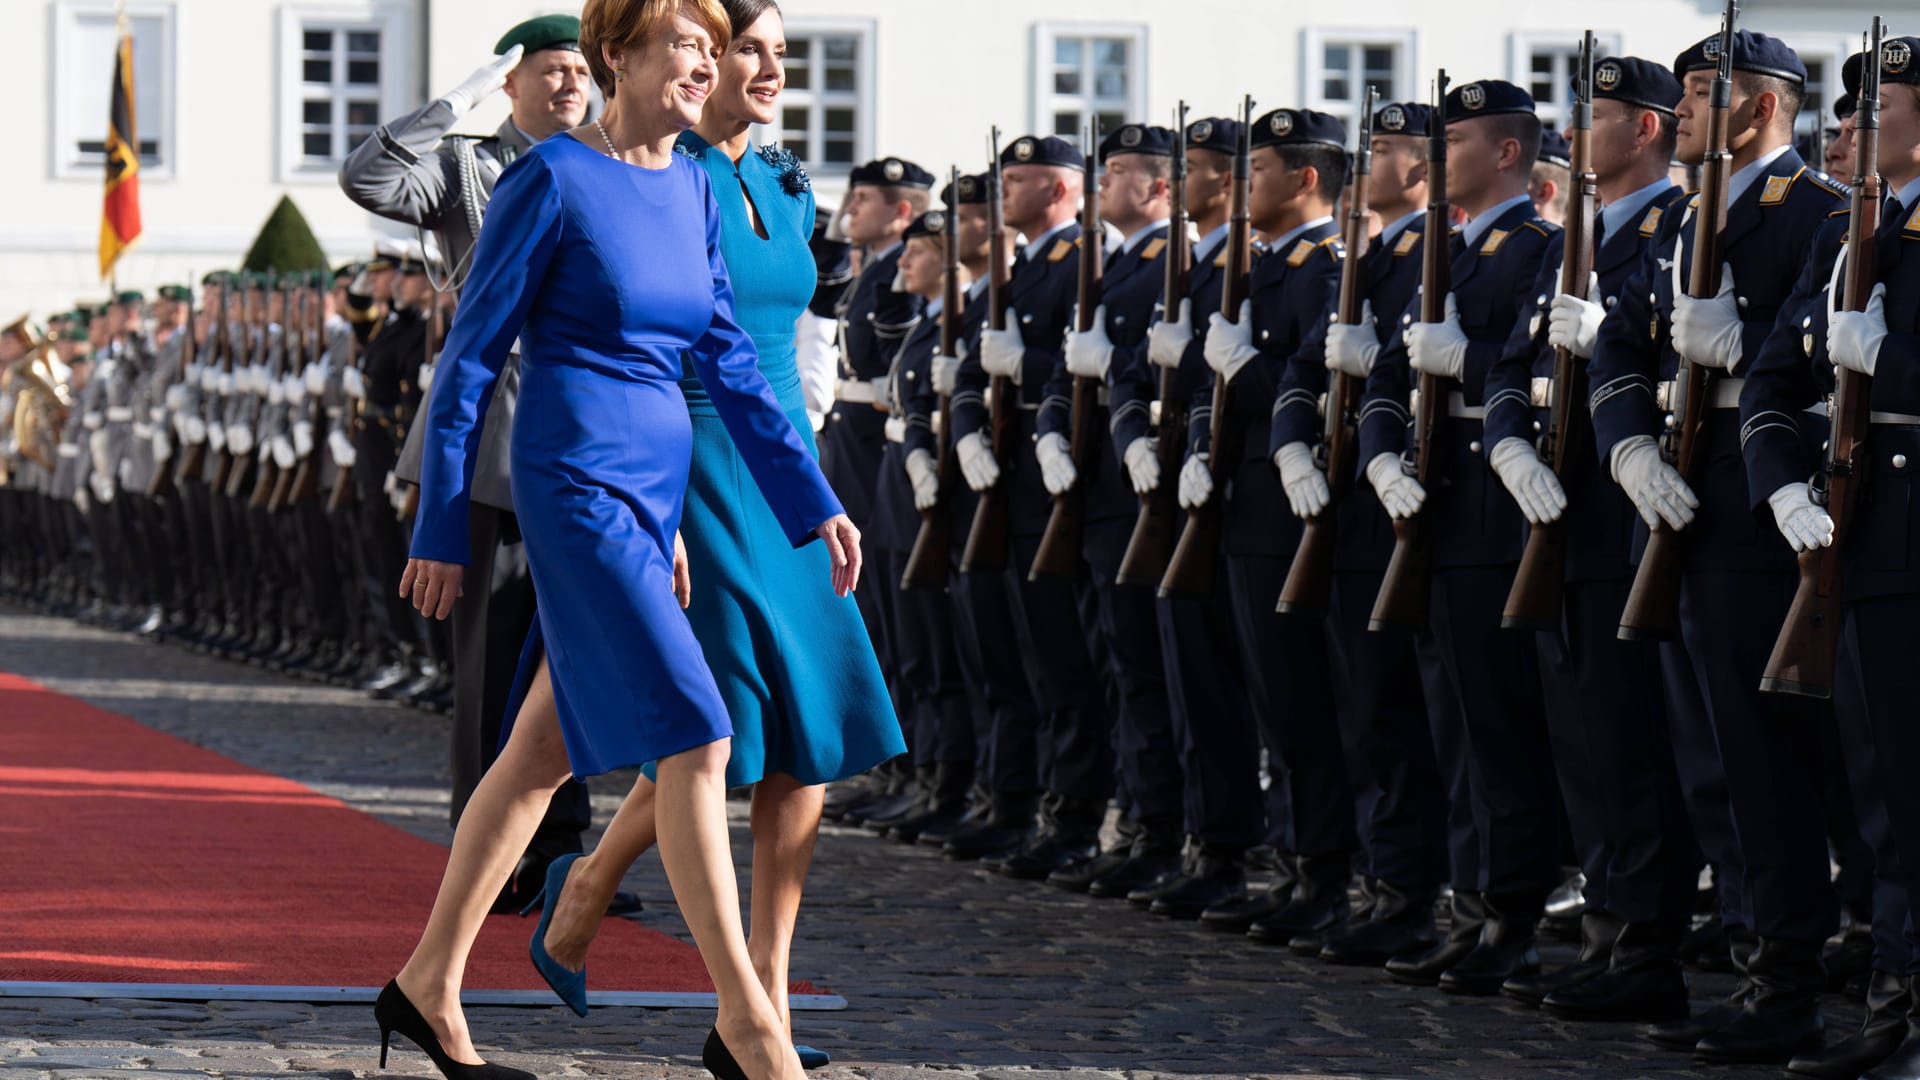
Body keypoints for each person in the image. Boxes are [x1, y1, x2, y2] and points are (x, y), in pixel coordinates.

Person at [384, 0, 858, 1076]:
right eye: (683, 45)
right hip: (575, 482)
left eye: (710, 45)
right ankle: (746, 1021)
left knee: (540, 756)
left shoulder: (690, 184)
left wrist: (810, 499)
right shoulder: (549, 179)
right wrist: (444, 523)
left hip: (655, 495)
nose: (706, 62)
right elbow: (469, 360)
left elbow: (728, 360)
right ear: (618, 59)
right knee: (697, 736)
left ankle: (425, 983)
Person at [1587, 30, 1844, 1064]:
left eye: (1706, 94)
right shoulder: (1689, 213)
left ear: (1766, 109)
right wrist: (1628, 445)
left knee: (1762, 757)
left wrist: (1749, 339)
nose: (1685, 112)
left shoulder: (1819, 212)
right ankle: (1749, 957)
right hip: (1682, 502)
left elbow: (1819, 354)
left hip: (1756, 508)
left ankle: (1790, 973)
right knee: (1708, 758)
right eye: (1685, 94)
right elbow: (1618, 341)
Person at [340, 14, 600, 911]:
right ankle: (489, 861)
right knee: (492, 659)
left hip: (584, 438)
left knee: (574, 657)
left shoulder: (610, 162)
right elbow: (368, 176)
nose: (570, 84)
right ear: (512, 82)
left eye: (579, 69)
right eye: (549, 70)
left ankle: (564, 851)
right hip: (493, 434)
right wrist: (459, 101)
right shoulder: (467, 165)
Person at [1483, 55, 1698, 1023]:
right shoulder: (1560, 242)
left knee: (1630, 740)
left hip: (1624, 521)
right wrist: (1508, 448)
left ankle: (1646, 941)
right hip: (1557, 517)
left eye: (1601, 114)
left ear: (1646, 129)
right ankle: (1609, 927)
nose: (1578, 133)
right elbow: (1507, 367)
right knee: (1582, 738)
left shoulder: (1676, 228)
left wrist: (1612, 328)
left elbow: (1659, 351)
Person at [1738, 36, 1920, 1079]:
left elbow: (1871, 364)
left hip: (1909, 534)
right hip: (1851, 532)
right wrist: (1782, 486)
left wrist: (1884, 358)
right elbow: (1773, 380)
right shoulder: (1855, 233)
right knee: (1883, 787)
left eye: (1881, 99)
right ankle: (1893, 1005)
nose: (1856, 121)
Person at [1359, 79, 1565, 995]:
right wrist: (1378, 456)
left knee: (1498, 725)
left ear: (1509, 154)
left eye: (1457, 143)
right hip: (1431, 509)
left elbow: (1533, 366)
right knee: (1454, 725)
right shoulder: (1433, 251)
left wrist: (1468, 365)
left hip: (1492, 510)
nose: (1439, 162)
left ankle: (1511, 913)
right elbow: (1389, 379)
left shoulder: (1540, 250)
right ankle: (1472, 902)